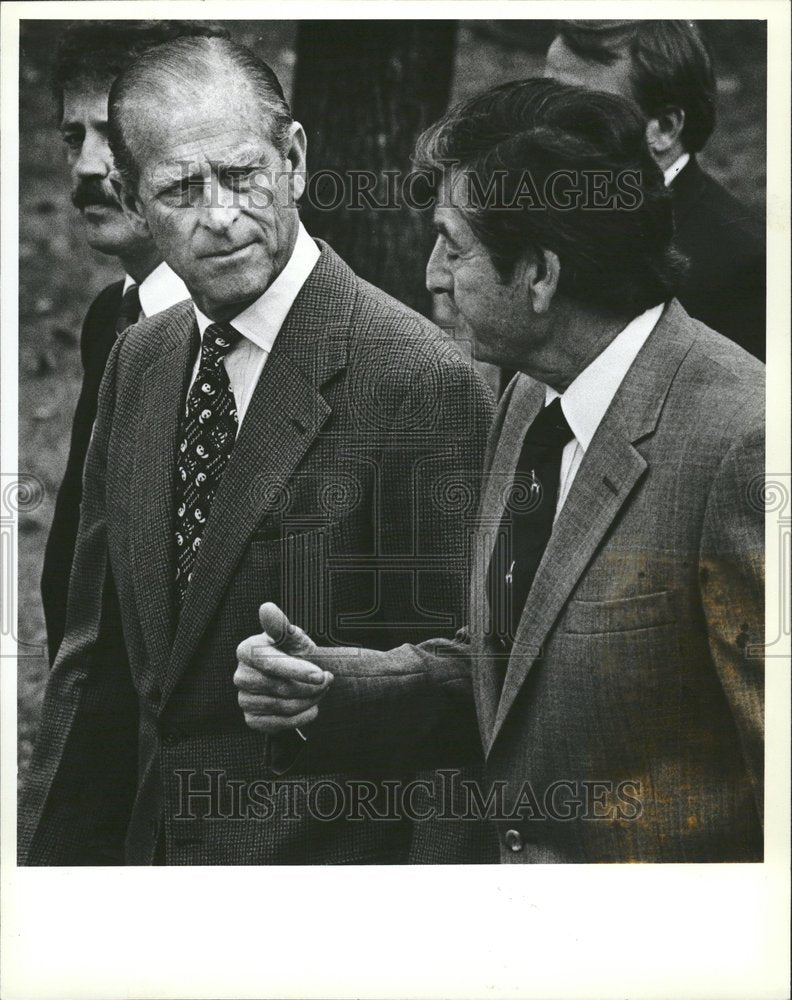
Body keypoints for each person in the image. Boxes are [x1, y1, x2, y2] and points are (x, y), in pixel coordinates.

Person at [228, 79, 765, 864]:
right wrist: (336, 690)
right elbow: (511, 668)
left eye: (453, 242)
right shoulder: (527, 400)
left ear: (541, 275)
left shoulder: (744, 445)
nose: (431, 276)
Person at [20, 37, 494, 866]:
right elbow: (92, 668)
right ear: (131, 198)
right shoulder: (141, 358)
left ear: (296, 158)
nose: (222, 217)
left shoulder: (418, 378)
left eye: (243, 176)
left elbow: (464, 698)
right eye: (180, 190)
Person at [41, 21, 227, 665]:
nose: (88, 166)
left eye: (113, 135)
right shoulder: (111, 318)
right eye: (73, 137)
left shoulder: (227, 338)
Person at [545, 19, 765, 361]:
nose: (545, 127)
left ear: (664, 128)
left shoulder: (743, 265)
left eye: (580, 110)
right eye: (544, 97)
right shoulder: (541, 216)